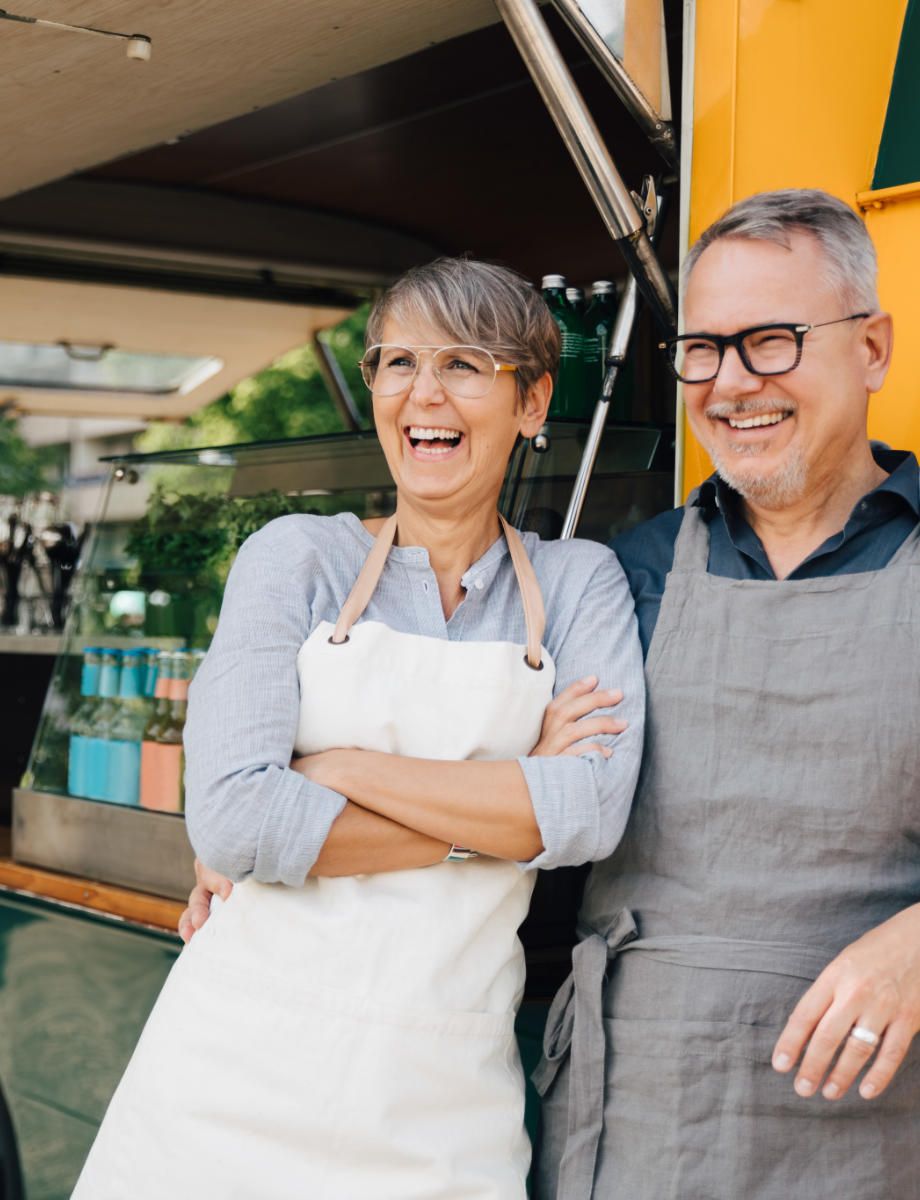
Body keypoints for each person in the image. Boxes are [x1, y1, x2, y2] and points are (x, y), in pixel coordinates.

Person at [72, 258, 645, 1199]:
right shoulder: (296, 557)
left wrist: (333, 766)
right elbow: (235, 825)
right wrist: (502, 817)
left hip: (444, 1096)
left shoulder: (580, 583)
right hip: (231, 1077)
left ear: (533, 402)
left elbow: (585, 815)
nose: (425, 393)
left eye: (466, 364)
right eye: (398, 362)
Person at [534, 188, 920, 1200]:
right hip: (637, 1118)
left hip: (882, 1136)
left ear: (870, 348)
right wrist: (288, 830)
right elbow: (494, 790)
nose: (728, 383)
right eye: (701, 349)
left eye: (770, 341)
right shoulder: (623, 576)